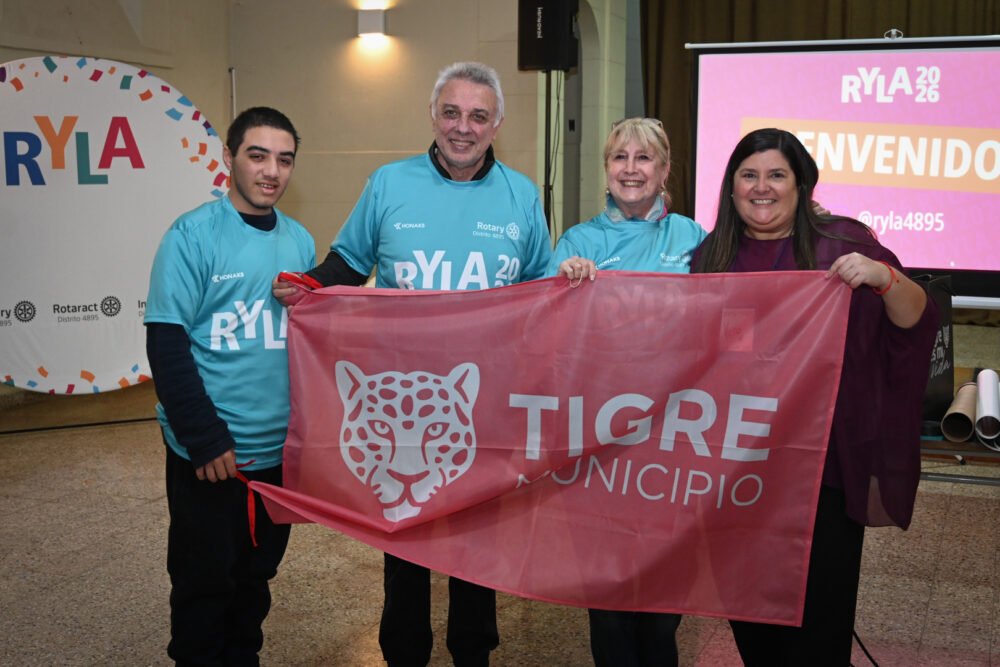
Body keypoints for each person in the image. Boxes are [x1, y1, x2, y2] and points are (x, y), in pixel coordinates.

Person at [273, 62, 551, 667]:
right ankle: (403, 654)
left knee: (477, 546)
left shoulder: (522, 196)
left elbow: (542, 297)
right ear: (433, 115)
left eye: (478, 116)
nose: (463, 127)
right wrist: (307, 286)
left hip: (483, 410)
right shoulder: (389, 184)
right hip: (398, 403)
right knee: (406, 543)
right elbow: (346, 263)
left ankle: (472, 653)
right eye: (451, 112)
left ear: (498, 123)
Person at [692, 127, 937, 665]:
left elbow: (917, 318)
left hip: (822, 470)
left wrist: (883, 277)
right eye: (749, 175)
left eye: (777, 175)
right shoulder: (711, 258)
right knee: (752, 621)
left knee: (820, 629)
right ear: (731, 188)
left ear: (801, 185)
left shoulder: (846, 244)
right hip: (740, 470)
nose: (763, 187)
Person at [145, 106, 316, 665]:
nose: (272, 171)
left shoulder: (300, 243)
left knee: (254, 584)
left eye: (284, 159)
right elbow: (167, 345)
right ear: (228, 158)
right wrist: (205, 437)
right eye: (258, 155)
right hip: (212, 455)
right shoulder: (191, 235)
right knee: (203, 586)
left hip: (276, 454)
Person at [550, 117, 705, 667]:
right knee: (608, 597)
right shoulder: (577, 242)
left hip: (674, 439)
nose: (631, 169)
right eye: (620, 157)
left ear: (665, 171)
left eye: (644, 159)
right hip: (599, 442)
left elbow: (734, 321)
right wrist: (562, 286)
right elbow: (547, 339)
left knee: (662, 605)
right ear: (607, 169)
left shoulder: (693, 238)